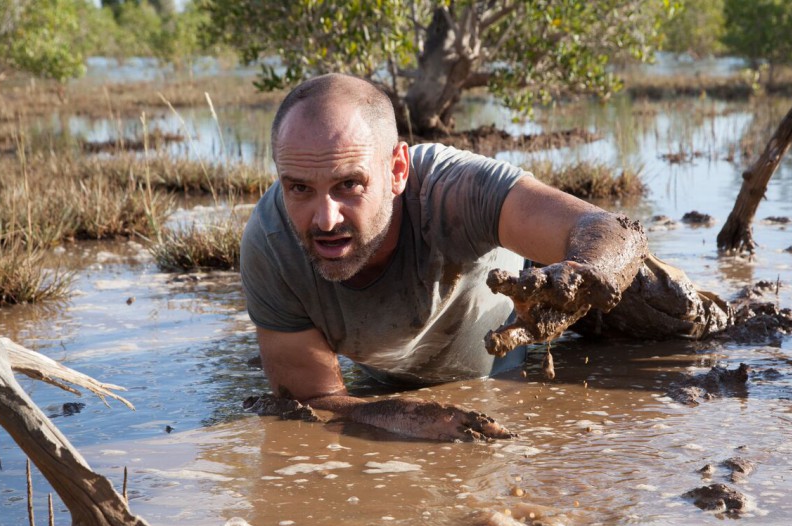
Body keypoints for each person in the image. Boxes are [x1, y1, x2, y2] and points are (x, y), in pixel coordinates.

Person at [240, 73, 727, 441]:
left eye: (349, 185)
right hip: (406, 375)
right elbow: (317, 400)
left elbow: (610, 230)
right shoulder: (270, 244)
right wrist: (414, 417)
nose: (324, 219)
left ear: (396, 170)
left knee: (684, 315)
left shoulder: (452, 191)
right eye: (299, 188)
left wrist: (577, 281)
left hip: (542, 287)